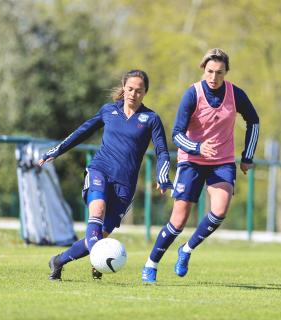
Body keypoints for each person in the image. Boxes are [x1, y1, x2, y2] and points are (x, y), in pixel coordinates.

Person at [39, 69, 172, 281]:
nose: (133, 94)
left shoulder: (151, 119)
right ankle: (99, 259)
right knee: (97, 210)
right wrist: (57, 150)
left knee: (100, 237)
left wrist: (163, 176)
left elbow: (162, 151)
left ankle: (59, 261)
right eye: (130, 89)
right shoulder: (108, 111)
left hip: (125, 185)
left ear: (145, 92)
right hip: (100, 170)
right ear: (124, 87)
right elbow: (82, 131)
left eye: (139, 91)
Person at [141, 48, 260, 282]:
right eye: (210, 71)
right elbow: (176, 134)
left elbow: (253, 121)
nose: (214, 77)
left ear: (226, 72)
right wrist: (197, 147)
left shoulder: (235, 94)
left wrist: (247, 156)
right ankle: (151, 263)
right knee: (178, 220)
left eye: (219, 72)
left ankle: (186, 250)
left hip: (222, 161)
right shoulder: (192, 94)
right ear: (203, 69)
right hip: (191, 162)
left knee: (219, 210)